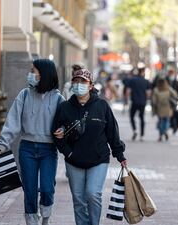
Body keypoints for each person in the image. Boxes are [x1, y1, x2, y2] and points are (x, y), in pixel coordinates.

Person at [52, 65, 127, 225]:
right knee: (79, 200)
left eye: (83, 81)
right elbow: (56, 134)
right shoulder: (64, 107)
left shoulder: (102, 106)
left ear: (91, 85)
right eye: (76, 81)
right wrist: (67, 152)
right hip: (74, 161)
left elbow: (112, 132)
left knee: (93, 194)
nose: (79, 84)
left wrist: (119, 154)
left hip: (98, 159)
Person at [0, 59, 64, 225]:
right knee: (30, 190)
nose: (30, 74)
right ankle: (31, 222)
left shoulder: (58, 99)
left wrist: (62, 130)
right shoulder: (24, 95)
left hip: (48, 150)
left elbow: (65, 122)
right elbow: (12, 121)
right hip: (27, 148)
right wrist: (3, 144)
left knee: (47, 189)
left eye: (34, 71)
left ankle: (45, 218)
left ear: (44, 73)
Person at [125, 65, 151, 141]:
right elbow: (148, 93)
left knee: (132, 116)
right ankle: (142, 135)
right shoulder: (146, 81)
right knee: (142, 118)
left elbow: (128, 91)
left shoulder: (133, 80)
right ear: (142, 72)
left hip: (134, 101)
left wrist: (126, 100)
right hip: (143, 102)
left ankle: (135, 130)